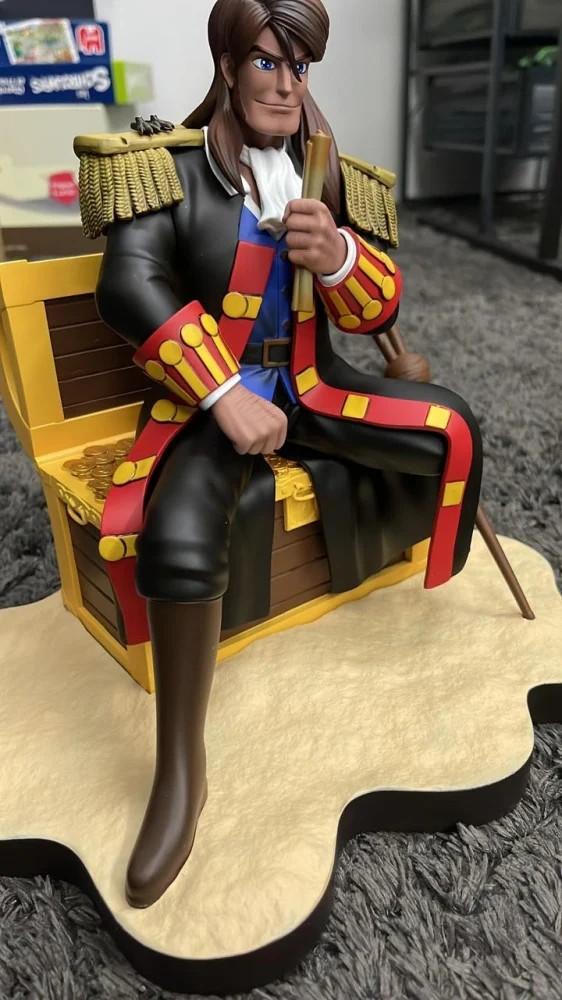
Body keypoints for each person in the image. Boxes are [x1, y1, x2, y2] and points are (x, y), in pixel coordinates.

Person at [85, 0, 482, 908]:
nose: (286, 85)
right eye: (267, 63)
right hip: (211, 402)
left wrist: (338, 256)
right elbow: (127, 287)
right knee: (178, 537)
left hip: (312, 385)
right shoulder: (165, 170)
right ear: (228, 68)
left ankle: (424, 617)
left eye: (299, 68)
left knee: (451, 430)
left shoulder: (327, 174)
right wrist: (222, 394)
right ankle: (180, 771)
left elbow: (376, 311)